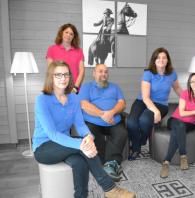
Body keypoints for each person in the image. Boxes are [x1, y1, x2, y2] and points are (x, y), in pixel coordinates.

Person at [33, 61, 135, 198]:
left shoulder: (73, 98)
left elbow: (80, 125)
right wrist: (81, 144)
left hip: (65, 143)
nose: (63, 78)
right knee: (84, 148)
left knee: (81, 161)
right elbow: (52, 134)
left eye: (66, 74)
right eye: (58, 75)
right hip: (44, 147)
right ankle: (110, 188)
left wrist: (88, 136)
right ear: (50, 77)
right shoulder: (42, 100)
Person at [126, 47, 182, 160]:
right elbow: (146, 98)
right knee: (131, 122)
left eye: (164, 57)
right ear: (154, 60)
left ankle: (139, 143)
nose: (161, 60)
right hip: (142, 101)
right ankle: (137, 145)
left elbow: (177, 88)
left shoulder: (172, 74)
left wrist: (189, 100)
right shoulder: (148, 73)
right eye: (158, 57)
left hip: (161, 104)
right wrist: (155, 112)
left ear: (167, 60)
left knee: (144, 120)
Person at [78, 64, 127, 182]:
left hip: (113, 121)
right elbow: (83, 104)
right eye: (100, 71)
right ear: (94, 73)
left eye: (105, 72)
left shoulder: (115, 87)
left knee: (122, 133)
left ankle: (110, 163)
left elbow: (122, 103)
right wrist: (102, 114)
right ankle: (107, 163)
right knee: (92, 134)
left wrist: (112, 112)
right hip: (93, 122)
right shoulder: (86, 87)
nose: (103, 74)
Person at [160, 73, 195, 178]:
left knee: (177, 131)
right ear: (189, 84)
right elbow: (182, 113)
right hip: (175, 120)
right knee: (179, 126)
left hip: (190, 124)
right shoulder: (185, 93)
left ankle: (166, 162)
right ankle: (183, 155)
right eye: (192, 81)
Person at [46, 23, 85, 94]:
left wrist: (75, 88)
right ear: (61, 33)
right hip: (57, 88)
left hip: (73, 89)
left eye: (71, 34)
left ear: (74, 37)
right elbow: (50, 70)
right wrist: (55, 87)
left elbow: (81, 71)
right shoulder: (52, 49)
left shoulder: (79, 51)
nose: (68, 35)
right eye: (66, 32)